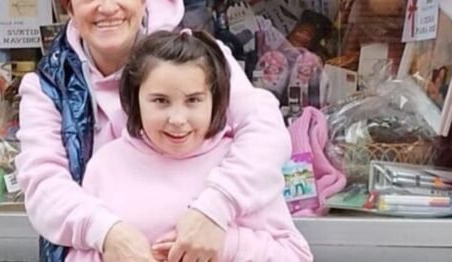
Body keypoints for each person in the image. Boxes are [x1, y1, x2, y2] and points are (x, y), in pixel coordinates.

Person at [16, 0, 291, 262]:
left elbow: (264, 129)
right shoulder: (48, 87)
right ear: (69, 7)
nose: (107, 6)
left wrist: (216, 208)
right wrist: (106, 232)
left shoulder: (196, 55)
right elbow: (43, 187)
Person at [65, 30, 312, 262]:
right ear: (135, 98)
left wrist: (227, 243)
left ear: (215, 100)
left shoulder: (238, 165)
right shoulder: (106, 165)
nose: (177, 119)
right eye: (160, 101)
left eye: (193, 100)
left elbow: (295, 254)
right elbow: (80, 253)